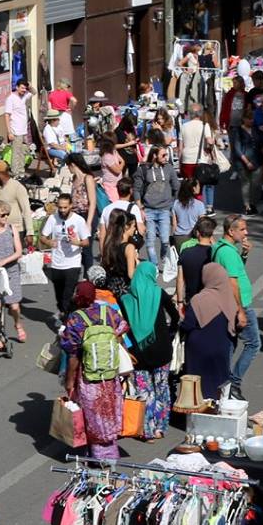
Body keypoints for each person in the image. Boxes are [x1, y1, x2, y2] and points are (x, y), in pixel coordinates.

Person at [59, 278, 130, 461]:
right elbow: (123, 327)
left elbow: (73, 354)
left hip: (89, 376)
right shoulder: (107, 311)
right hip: (110, 374)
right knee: (109, 411)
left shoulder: (75, 319)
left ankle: (100, 457)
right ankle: (110, 452)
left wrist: (69, 381)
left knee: (93, 415)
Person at [121, 257, 176, 442]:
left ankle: (147, 430)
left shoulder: (125, 300)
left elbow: (122, 327)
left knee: (144, 391)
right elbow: (175, 316)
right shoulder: (159, 293)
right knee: (162, 387)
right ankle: (161, 427)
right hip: (162, 350)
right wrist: (170, 332)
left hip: (138, 353)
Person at [183, 261, 244, 402]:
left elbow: (188, 325)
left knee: (198, 385)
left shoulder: (198, 299)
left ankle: (198, 408)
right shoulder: (229, 299)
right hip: (221, 347)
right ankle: (218, 406)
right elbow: (235, 327)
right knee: (219, 382)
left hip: (197, 350)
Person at [214, 214, 259, 388]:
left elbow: (236, 271)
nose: (246, 233)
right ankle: (234, 382)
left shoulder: (223, 248)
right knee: (253, 344)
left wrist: (244, 254)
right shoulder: (228, 253)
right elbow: (232, 282)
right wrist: (240, 311)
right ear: (231, 231)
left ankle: (224, 378)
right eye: (242, 229)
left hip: (231, 304)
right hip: (239, 305)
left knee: (231, 343)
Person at [0, 201, 29, 346]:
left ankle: (18, 324)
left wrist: (4, 261)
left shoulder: (11, 229)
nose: (6, 217)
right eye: (2, 215)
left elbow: (19, 252)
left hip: (12, 271)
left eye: (7, 214)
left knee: (14, 306)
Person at [39, 189, 91, 317]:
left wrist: (77, 242)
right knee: (59, 295)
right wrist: (49, 242)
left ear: (71, 206)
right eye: (60, 207)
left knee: (68, 295)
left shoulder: (79, 220)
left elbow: (86, 242)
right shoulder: (53, 218)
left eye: (65, 207)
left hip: (73, 263)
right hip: (57, 263)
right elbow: (42, 237)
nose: (62, 210)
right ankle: (63, 313)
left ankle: (67, 320)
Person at [134, 144, 177, 265]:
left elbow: (176, 186)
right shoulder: (143, 169)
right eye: (163, 155)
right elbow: (136, 189)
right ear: (154, 156)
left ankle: (163, 257)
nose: (166, 157)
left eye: (166, 155)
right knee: (150, 242)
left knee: (165, 240)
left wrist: (172, 203)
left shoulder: (169, 168)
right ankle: (155, 266)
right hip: (149, 210)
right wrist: (140, 208)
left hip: (164, 209)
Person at [0, 158, 31, 235]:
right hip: (1, 230)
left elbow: (26, 210)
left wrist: (30, 232)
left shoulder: (17, 187)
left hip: (17, 231)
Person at [169, 178, 207, 248]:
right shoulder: (199, 204)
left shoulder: (176, 203)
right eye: (198, 185)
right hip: (193, 238)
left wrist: (174, 239)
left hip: (178, 238)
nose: (200, 187)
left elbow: (174, 224)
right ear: (194, 188)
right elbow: (203, 225)